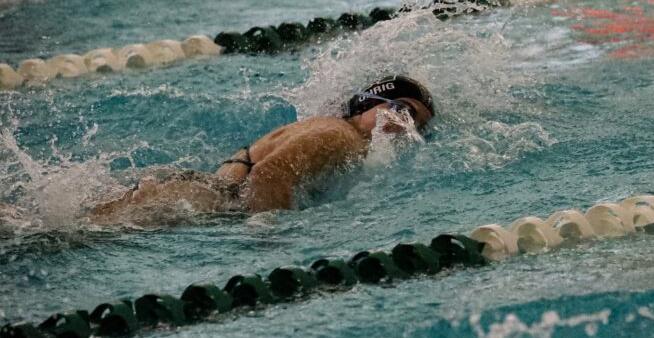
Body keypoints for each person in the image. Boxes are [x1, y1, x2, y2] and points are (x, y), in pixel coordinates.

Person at [90, 75, 435, 223]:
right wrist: (272, 241)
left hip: (193, 195)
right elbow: (270, 176)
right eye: (404, 111)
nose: (406, 127)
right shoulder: (340, 135)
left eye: (416, 125)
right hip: (191, 202)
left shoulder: (333, 131)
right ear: (372, 101)